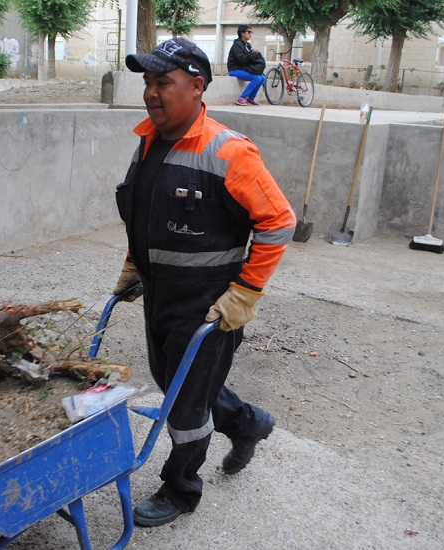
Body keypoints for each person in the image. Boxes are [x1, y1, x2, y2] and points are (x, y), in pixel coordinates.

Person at [113, 37, 296, 527]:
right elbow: (143, 216)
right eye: (148, 82)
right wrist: (134, 263)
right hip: (160, 293)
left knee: (187, 406)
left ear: (197, 86)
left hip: (208, 303)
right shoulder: (149, 142)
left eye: (163, 82)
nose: (151, 93)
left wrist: (247, 292)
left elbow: (279, 222)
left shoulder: (229, 151)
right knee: (173, 383)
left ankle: (181, 489)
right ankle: (248, 423)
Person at [226, 24, 266, 106]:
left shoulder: (247, 45)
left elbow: (250, 59)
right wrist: (251, 52)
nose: (251, 34)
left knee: (262, 77)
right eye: (249, 32)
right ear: (242, 33)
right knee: (257, 78)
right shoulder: (237, 45)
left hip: (243, 69)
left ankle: (251, 98)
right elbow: (242, 59)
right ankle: (242, 98)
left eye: (252, 32)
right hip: (234, 70)